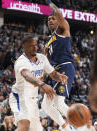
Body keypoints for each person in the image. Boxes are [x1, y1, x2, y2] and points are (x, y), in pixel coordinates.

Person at [9, 35, 68, 131]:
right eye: (31, 45)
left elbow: (52, 73)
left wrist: (59, 77)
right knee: (24, 125)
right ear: (24, 47)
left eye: (36, 45)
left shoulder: (42, 58)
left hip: (33, 100)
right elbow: (27, 75)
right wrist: (42, 84)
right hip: (20, 97)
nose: (35, 47)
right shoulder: (21, 62)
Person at [42, 1, 76, 131]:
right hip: (54, 72)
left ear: (59, 21)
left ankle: (83, 125)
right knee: (45, 105)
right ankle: (67, 128)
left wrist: (49, 3)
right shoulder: (48, 42)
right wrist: (42, 76)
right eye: (48, 19)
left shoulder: (62, 29)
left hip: (65, 67)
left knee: (58, 102)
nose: (50, 20)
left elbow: (58, 13)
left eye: (53, 18)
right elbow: (47, 62)